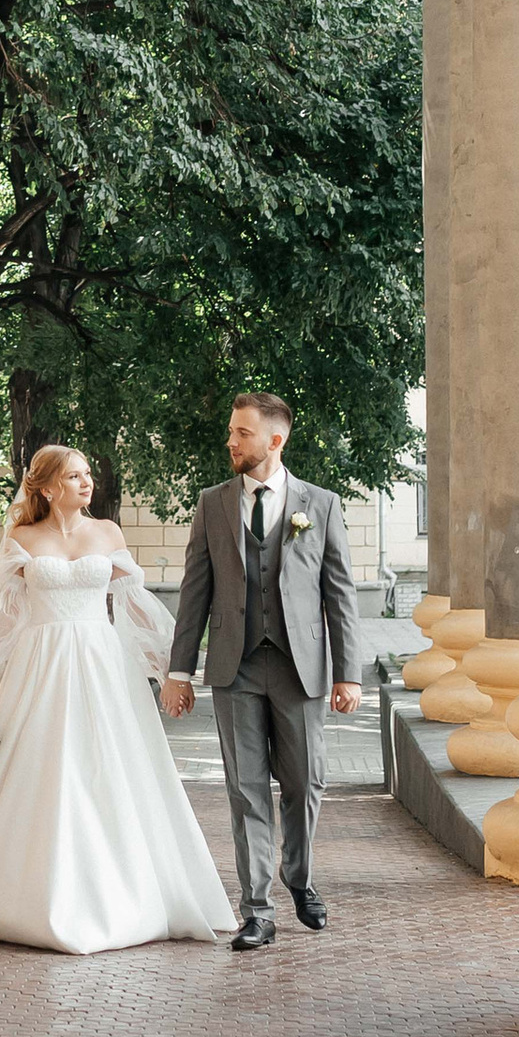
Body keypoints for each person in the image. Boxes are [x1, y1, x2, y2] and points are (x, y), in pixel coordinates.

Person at [0, 443, 235, 953]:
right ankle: (20, 897)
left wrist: (170, 672)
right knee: (38, 769)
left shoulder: (108, 533)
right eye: (75, 476)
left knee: (109, 769)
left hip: (101, 666)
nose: (87, 482)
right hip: (38, 666)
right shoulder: (22, 537)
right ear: (49, 487)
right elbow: (5, 620)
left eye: (87, 474)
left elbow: (134, 605)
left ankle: (126, 895)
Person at [160, 394, 360, 952]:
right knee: (245, 789)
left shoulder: (321, 505)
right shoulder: (212, 504)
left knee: (304, 783)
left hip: (302, 667)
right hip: (236, 665)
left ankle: (299, 877)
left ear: (275, 440)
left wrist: (348, 673)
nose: (231, 441)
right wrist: (179, 671)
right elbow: (195, 591)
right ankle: (257, 911)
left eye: (242, 433)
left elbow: (340, 594)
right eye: (231, 431)